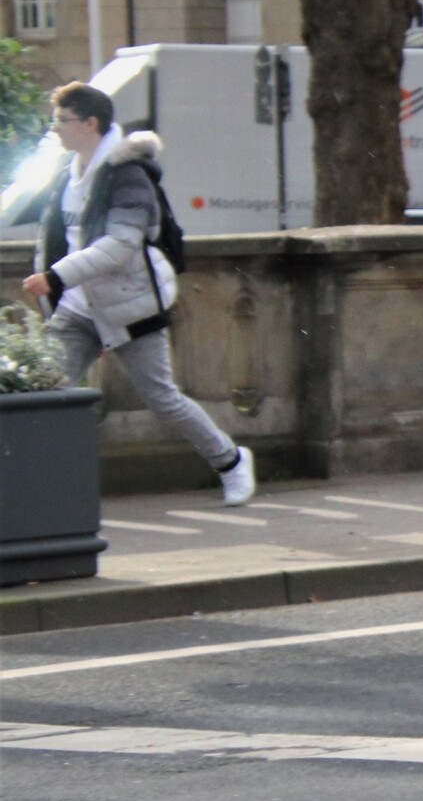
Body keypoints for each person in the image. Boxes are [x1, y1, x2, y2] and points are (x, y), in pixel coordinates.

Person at [21, 83, 254, 504]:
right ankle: (44, 493)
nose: (54, 129)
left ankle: (232, 461)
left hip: (130, 306)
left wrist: (55, 278)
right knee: (43, 397)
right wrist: (51, 295)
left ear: (89, 123)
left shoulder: (127, 174)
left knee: (162, 399)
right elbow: (54, 240)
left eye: (62, 120)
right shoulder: (66, 176)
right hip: (77, 308)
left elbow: (121, 246)